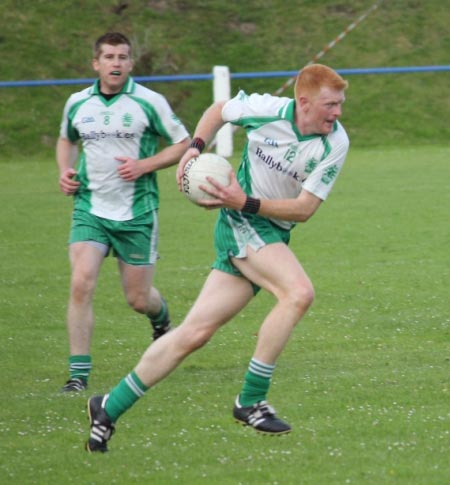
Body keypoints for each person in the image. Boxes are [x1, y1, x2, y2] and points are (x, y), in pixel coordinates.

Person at [84, 63, 350, 452]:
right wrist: (192, 152)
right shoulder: (268, 110)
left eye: (341, 104)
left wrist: (248, 201)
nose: (338, 113)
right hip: (242, 224)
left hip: (264, 225)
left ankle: (108, 406)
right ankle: (251, 399)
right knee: (298, 293)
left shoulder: (335, 142)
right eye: (331, 105)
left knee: (193, 334)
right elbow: (218, 111)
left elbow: (304, 209)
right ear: (304, 102)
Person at [57, 32, 190, 392]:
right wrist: (65, 171)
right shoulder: (77, 103)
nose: (116, 63)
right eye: (109, 57)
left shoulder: (149, 102)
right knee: (81, 282)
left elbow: (184, 143)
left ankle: (161, 322)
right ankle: (78, 376)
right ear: (96, 63)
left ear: (131, 63)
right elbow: (67, 139)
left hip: (137, 213)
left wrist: (145, 164)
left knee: (137, 299)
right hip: (90, 208)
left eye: (123, 57)